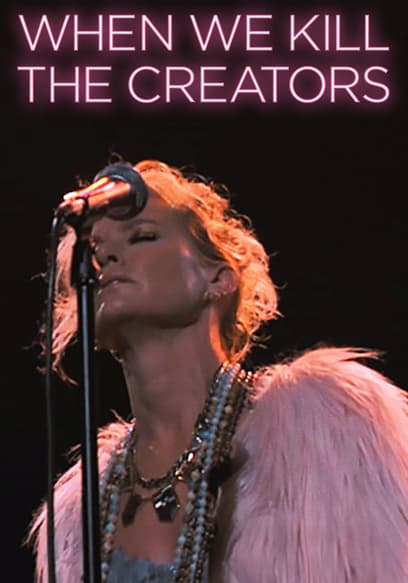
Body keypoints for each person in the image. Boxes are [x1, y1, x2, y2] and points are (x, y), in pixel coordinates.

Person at [28, 159, 408, 582]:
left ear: (219, 278)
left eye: (143, 236)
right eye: (94, 254)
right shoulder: (79, 512)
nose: (107, 257)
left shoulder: (324, 424)